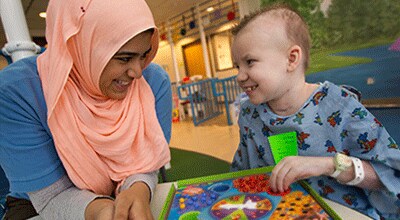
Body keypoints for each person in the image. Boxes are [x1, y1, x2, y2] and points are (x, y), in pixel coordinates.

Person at [0, 0, 172, 219]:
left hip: (121, 194)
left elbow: (148, 164)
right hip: (39, 204)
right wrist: (101, 210)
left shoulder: (153, 82)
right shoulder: (19, 92)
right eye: (124, 58)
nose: (137, 72)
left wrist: (139, 187)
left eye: (144, 55)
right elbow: (51, 196)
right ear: (82, 47)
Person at [230, 4, 400, 219]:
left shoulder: (339, 105)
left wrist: (328, 165)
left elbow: (390, 175)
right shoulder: (249, 114)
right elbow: (241, 174)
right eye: (237, 66)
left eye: (250, 62)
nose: (239, 76)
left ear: (291, 59)